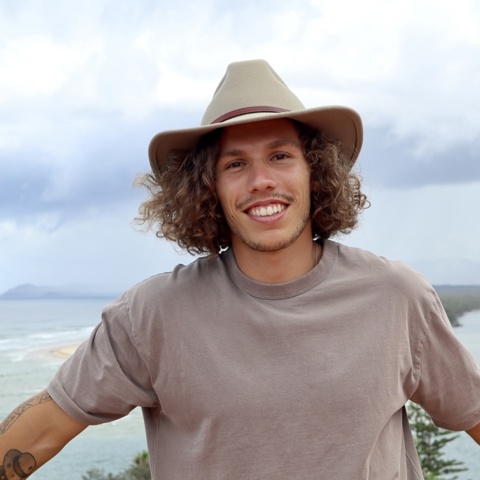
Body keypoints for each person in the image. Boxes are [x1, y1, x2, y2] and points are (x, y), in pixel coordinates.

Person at [1, 59, 479, 480]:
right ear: (207, 187)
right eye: (235, 164)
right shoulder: (149, 316)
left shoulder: (397, 298)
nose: (261, 180)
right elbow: (42, 430)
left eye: (280, 156)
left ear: (316, 171)